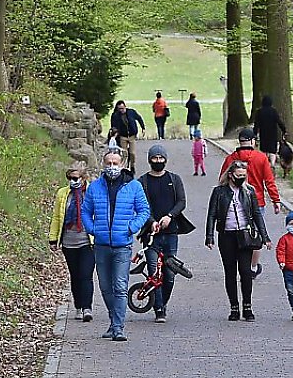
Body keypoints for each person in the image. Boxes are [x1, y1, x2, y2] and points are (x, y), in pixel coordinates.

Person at [82, 150, 151, 341]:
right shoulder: (95, 187)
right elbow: (85, 211)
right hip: (101, 244)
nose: (112, 166)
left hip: (122, 245)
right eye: (108, 163)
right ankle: (113, 321)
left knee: (120, 286)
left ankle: (119, 327)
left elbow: (144, 210)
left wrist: (132, 227)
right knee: (105, 286)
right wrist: (92, 229)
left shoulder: (134, 186)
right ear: (103, 165)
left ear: (122, 165)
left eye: (115, 163)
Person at [205, 160, 271, 322]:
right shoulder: (219, 192)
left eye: (244, 175)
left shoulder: (249, 191)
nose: (241, 178)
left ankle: (247, 306)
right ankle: (234, 307)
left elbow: (256, 214)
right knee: (230, 272)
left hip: (244, 234)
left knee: (246, 271)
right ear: (230, 175)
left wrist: (265, 236)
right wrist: (210, 236)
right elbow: (212, 214)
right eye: (238, 175)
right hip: (227, 235)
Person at [138, 144, 195, 323]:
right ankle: (159, 309)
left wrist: (170, 216)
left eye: (161, 158)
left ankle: (163, 302)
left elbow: (181, 202)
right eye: (155, 159)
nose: (158, 162)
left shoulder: (174, 179)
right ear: (149, 160)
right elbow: (141, 206)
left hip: (171, 232)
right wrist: (152, 221)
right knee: (154, 270)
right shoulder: (142, 181)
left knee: (169, 274)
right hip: (151, 234)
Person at [219, 128, 281, 278]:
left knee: (237, 231)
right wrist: (275, 200)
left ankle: (238, 264)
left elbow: (222, 179)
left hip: (235, 202)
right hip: (257, 202)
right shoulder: (261, 158)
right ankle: (252, 267)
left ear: (240, 142)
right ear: (253, 141)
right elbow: (269, 181)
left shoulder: (231, 159)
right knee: (255, 235)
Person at [49, 166, 95, 322]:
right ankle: (79, 306)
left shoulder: (91, 192)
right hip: (69, 241)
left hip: (87, 241)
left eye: (76, 178)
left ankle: (87, 307)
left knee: (85, 274)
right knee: (75, 275)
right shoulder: (63, 194)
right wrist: (53, 238)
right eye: (70, 178)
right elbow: (57, 217)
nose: (73, 181)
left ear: (83, 177)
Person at [110, 100, 145, 175]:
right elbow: (113, 126)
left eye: (122, 108)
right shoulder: (116, 116)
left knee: (132, 153)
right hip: (123, 136)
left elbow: (139, 118)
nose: (121, 110)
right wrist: (114, 135)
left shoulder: (131, 112)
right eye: (119, 109)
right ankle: (124, 168)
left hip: (131, 135)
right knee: (124, 153)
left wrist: (143, 127)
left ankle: (132, 166)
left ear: (125, 107)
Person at [252, 95, 287, 169]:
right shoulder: (273, 111)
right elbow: (279, 122)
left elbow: (256, 124)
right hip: (273, 134)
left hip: (263, 133)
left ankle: (264, 164)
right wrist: (284, 130)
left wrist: (254, 134)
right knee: (272, 150)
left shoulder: (259, 112)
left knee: (264, 149)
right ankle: (272, 164)